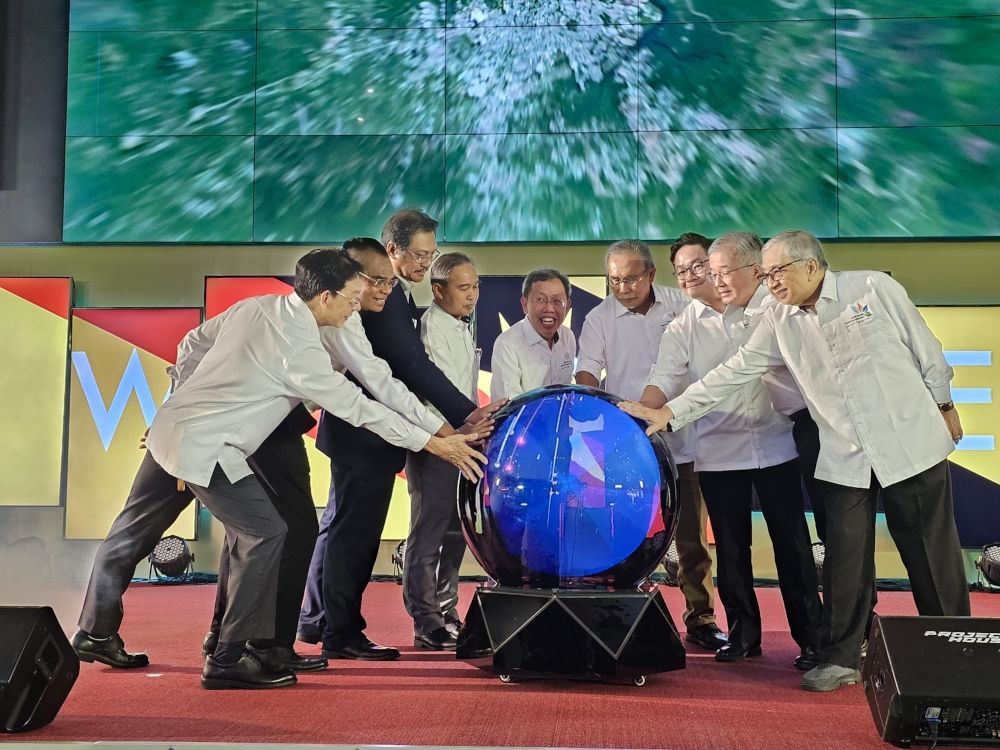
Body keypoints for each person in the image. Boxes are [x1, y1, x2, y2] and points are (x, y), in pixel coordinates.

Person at [73, 250, 484, 689]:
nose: (357, 303)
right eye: (352, 295)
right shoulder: (302, 352)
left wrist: (179, 403)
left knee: (132, 532)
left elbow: (193, 343)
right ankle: (229, 657)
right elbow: (361, 407)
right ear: (326, 297)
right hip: (210, 449)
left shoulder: (258, 305)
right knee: (265, 534)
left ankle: (95, 630)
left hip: (172, 430)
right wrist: (433, 444)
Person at [622, 229, 970, 692]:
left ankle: (957, 651)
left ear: (812, 265)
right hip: (844, 451)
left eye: (776, 272)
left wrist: (944, 405)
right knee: (846, 555)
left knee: (928, 551)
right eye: (765, 274)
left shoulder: (871, 288)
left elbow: (925, 348)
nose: (771, 282)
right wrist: (669, 411)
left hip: (909, 440)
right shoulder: (777, 318)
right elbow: (733, 371)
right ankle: (843, 657)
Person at [308, 211, 503, 662]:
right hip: (365, 435)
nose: (378, 289)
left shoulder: (391, 301)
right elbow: (404, 371)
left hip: (381, 431)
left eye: (431, 253)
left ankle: (321, 621)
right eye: (419, 255)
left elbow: (389, 376)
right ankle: (339, 629)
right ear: (388, 252)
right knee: (350, 533)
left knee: (338, 528)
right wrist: (456, 421)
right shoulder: (383, 305)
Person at [636, 231, 822, 666]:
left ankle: (812, 636)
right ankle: (742, 635)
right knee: (733, 553)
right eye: (688, 271)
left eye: (709, 268)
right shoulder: (683, 324)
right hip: (718, 450)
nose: (703, 277)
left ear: (749, 269)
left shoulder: (774, 308)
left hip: (777, 444)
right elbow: (664, 377)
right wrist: (640, 413)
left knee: (792, 545)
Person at [574, 237, 725, 651]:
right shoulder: (599, 318)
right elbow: (586, 371)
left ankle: (701, 618)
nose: (623, 288)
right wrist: (599, 416)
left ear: (652, 274)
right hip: (630, 448)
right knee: (625, 533)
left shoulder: (683, 303)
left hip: (688, 436)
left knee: (693, 538)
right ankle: (618, 615)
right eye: (614, 280)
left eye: (631, 278)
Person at [403, 252, 482, 650]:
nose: (472, 296)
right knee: (428, 531)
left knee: (457, 531)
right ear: (438, 289)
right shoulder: (430, 327)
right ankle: (425, 619)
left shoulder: (461, 324)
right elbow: (433, 395)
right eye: (463, 288)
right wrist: (457, 432)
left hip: (464, 442)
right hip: (437, 442)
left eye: (476, 287)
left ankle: (447, 610)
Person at [490, 267, 576, 400]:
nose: (549, 308)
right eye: (540, 300)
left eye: (557, 301)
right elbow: (509, 406)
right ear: (525, 305)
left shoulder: (568, 337)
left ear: (567, 306)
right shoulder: (507, 344)